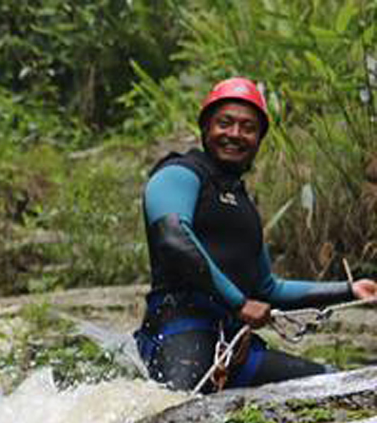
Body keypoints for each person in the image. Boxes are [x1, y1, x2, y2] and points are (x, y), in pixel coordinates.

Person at [136, 76, 377, 393]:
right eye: (225, 123)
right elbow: (174, 239)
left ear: (259, 138)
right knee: (180, 411)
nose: (235, 134)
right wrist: (238, 303)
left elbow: (268, 288)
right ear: (206, 128)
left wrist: (349, 290)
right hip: (180, 335)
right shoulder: (178, 175)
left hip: (236, 348)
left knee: (333, 385)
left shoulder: (244, 205)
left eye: (248, 127)